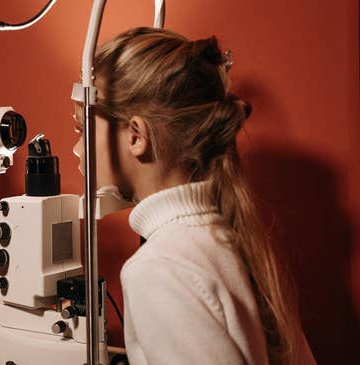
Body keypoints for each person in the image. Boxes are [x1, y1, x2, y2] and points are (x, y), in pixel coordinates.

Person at [72, 27, 316, 364]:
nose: (77, 148)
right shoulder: (232, 237)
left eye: (84, 129)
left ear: (135, 136)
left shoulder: (158, 270)